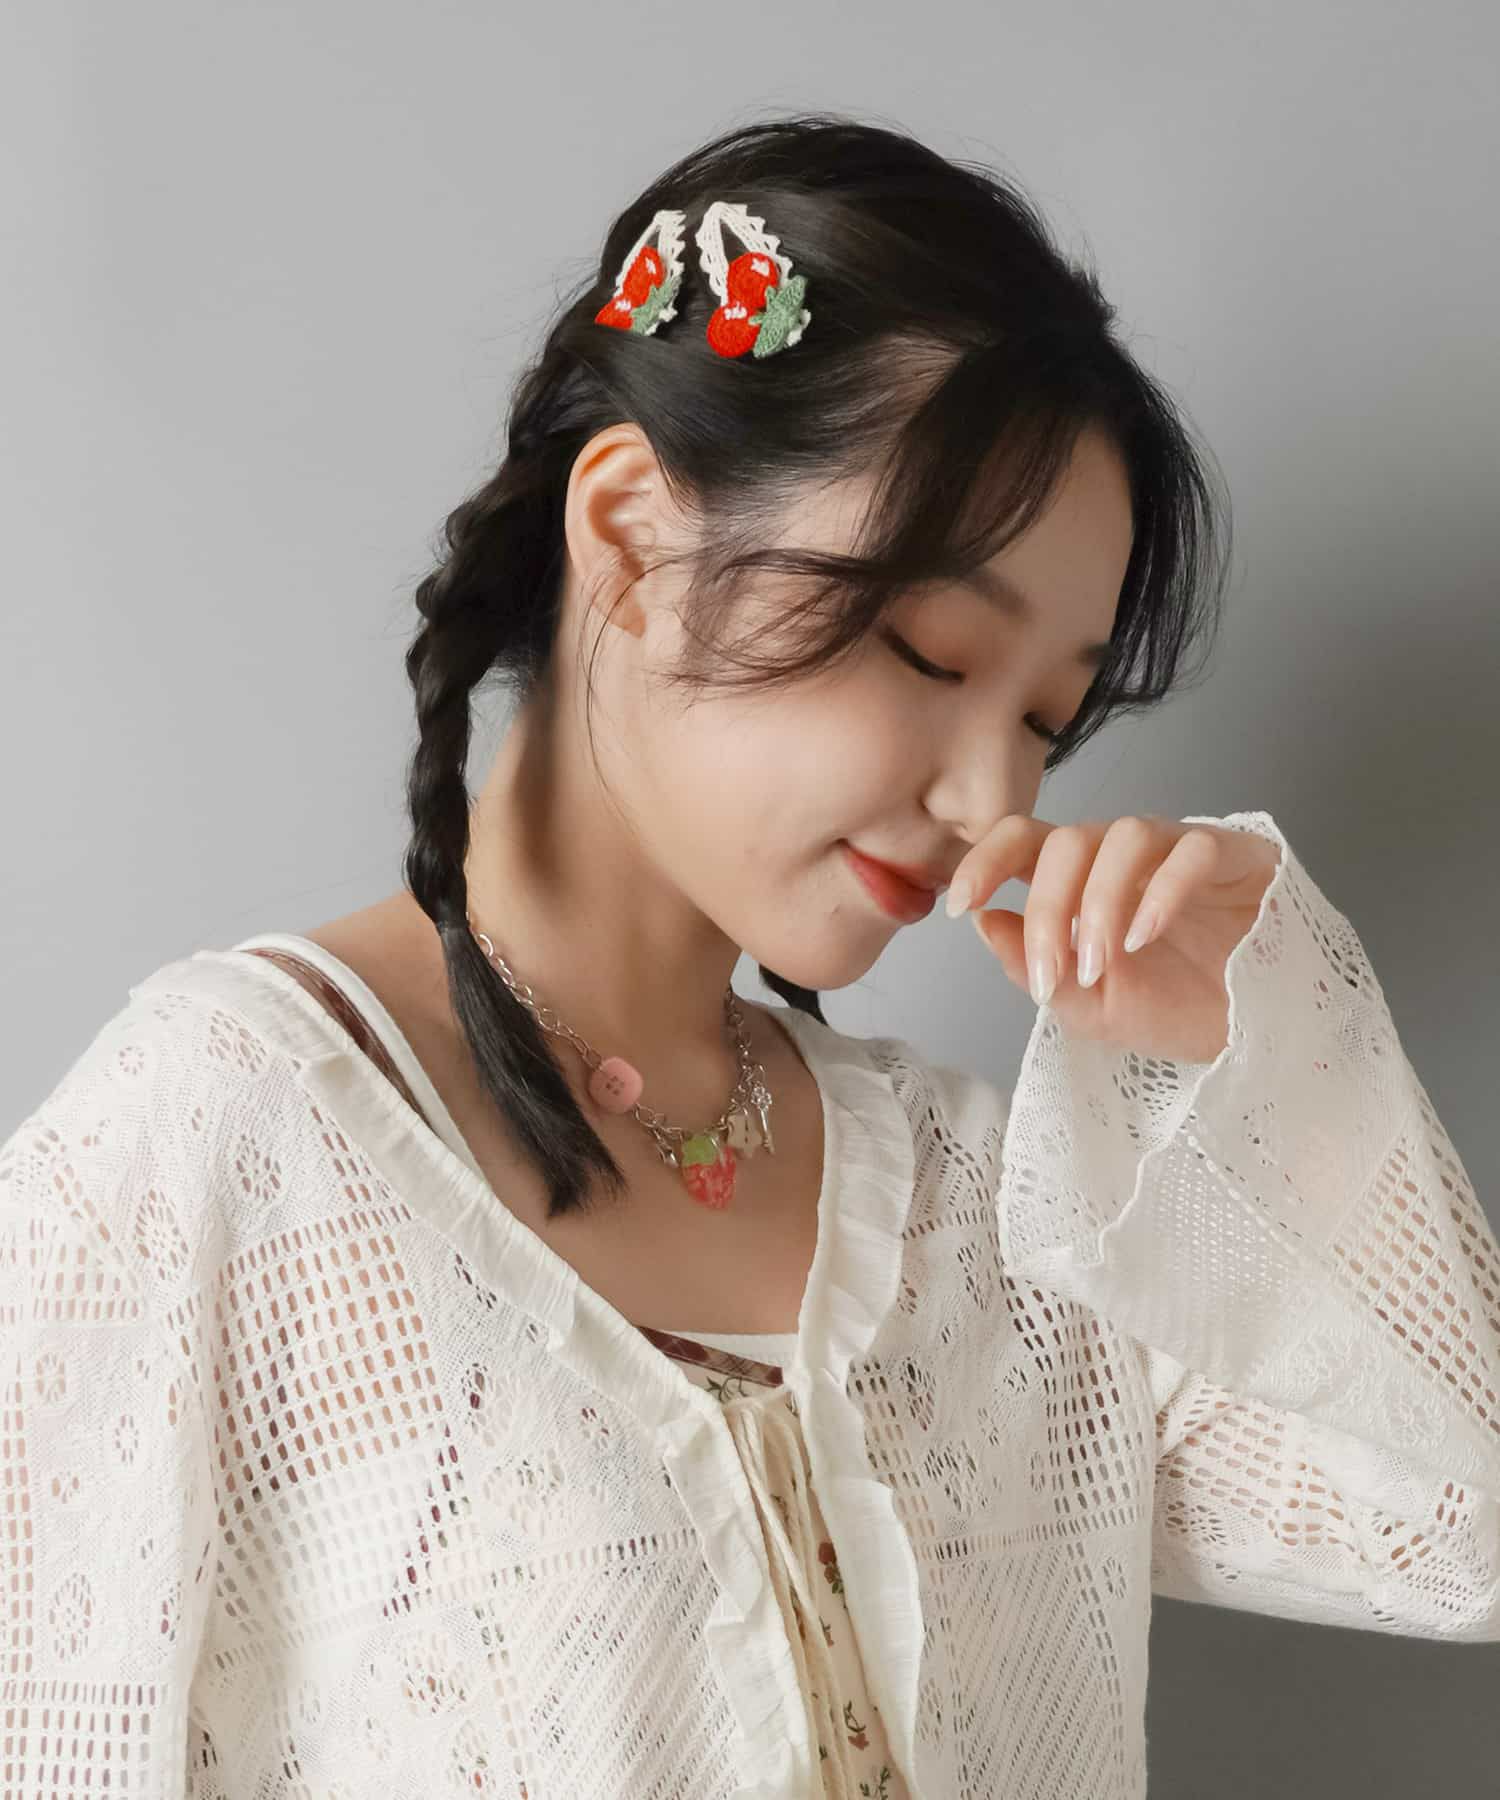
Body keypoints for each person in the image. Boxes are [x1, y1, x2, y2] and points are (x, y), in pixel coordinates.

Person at [4, 112, 1496, 1800]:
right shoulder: (226, 1148)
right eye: (931, 651)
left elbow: (1459, 1530)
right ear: (635, 538)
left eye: (1047, 721)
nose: (993, 799)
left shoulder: (989, 1215)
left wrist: (1249, 1053)